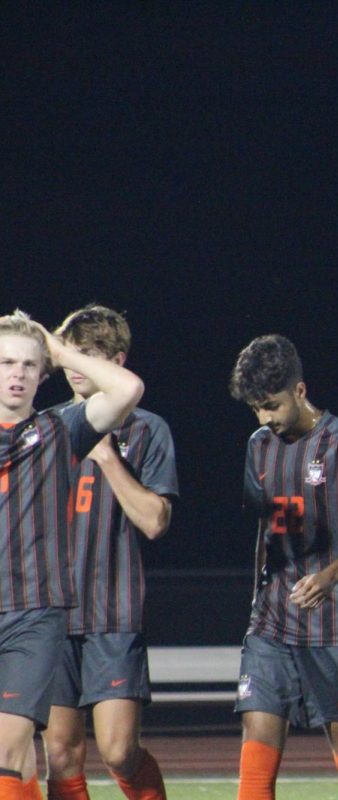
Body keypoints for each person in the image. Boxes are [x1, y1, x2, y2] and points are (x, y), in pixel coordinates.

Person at [228, 335, 338, 800]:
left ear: (300, 391)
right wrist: (257, 600)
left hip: (336, 621)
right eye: (256, 408)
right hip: (272, 620)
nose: (265, 419)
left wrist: (327, 577)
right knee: (255, 758)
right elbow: (265, 527)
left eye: (272, 406)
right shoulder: (258, 445)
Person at [0, 311, 143, 800]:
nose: (16, 374)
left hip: (33, 614)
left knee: (7, 748)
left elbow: (126, 390)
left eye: (27, 364)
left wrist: (57, 350)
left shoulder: (61, 429)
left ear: (43, 374)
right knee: (15, 761)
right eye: (5, 363)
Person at [39, 306, 178, 800]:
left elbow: (155, 521)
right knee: (60, 754)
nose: (75, 366)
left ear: (116, 361)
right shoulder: (45, 428)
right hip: (50, 615)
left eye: (89, 355)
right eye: (70, 354)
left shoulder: (148, 430)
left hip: (112, 613)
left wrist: (107, 457)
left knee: (119, 750)